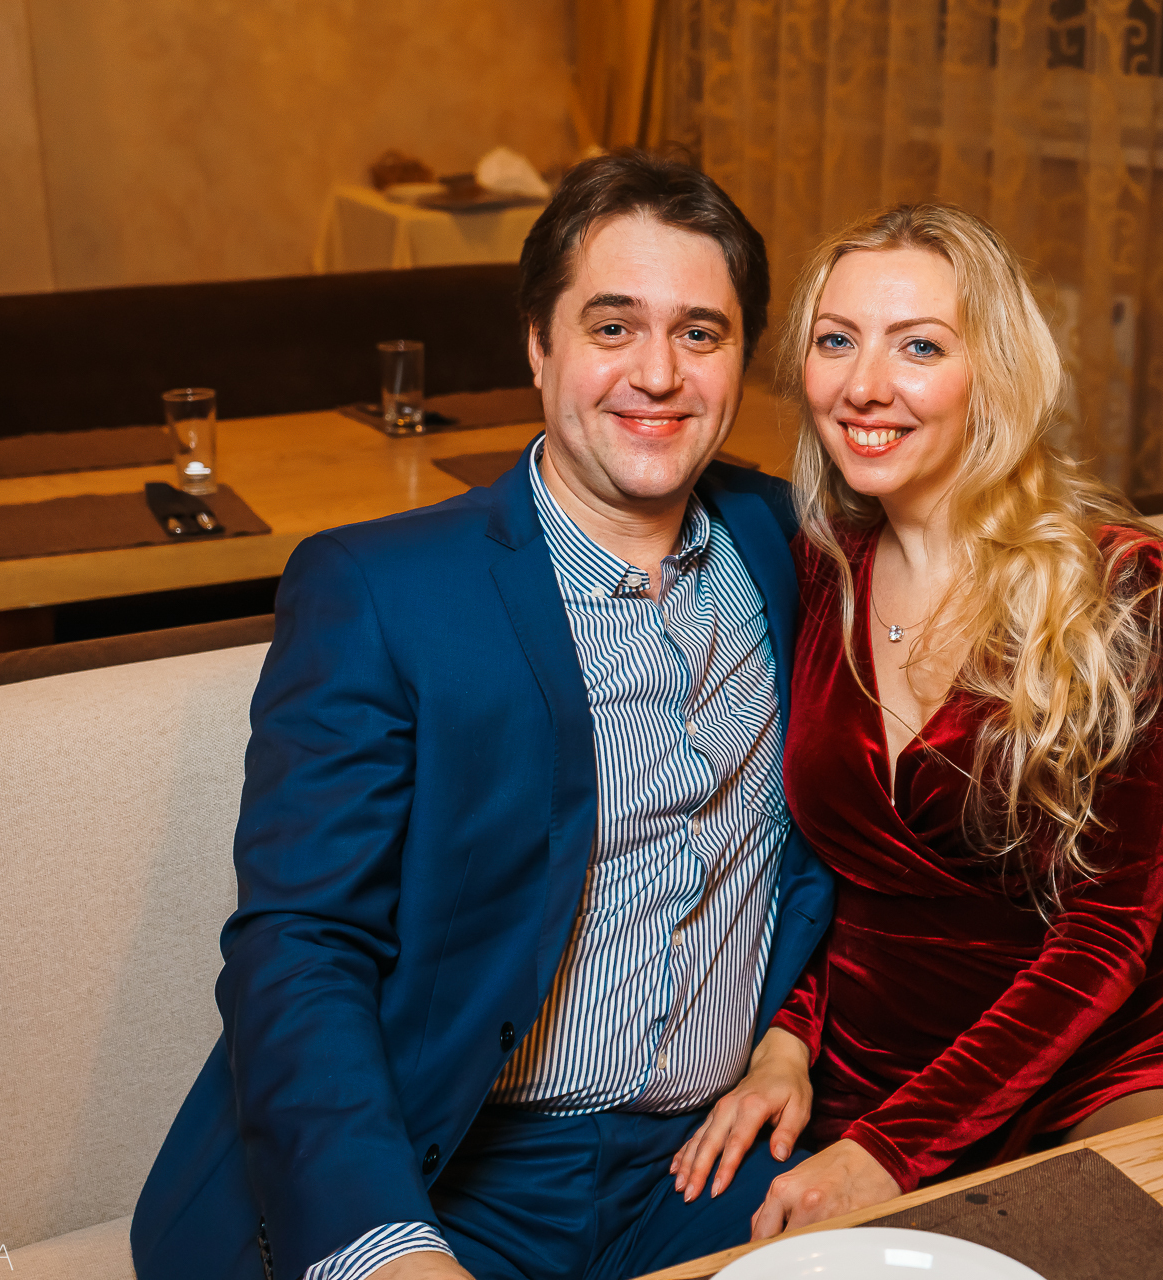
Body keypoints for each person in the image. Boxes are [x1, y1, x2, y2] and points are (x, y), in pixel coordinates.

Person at [130, 151, 833, 1280]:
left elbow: (847, 837)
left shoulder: (789, 541)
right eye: (613, 326)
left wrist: (793, 1034)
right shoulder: (381, 591)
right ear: (538, 345)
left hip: (708, 1165)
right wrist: (382, 1243)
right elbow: (301, 944)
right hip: (447, 1170)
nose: (658, 372)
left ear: (743, 361)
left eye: (700, 333)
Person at [668, 202, 1163, 1237]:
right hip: (867, 1074)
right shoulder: (815, 569)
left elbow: (1108, 929)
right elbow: (816, 871)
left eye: (919, 346)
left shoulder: (1124, 585)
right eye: (836, 341)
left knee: (1153, 1243)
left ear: (992, 371)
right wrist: (786, 1041)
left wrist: (891, 1153)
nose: (864, 385)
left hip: (1104, 1051)